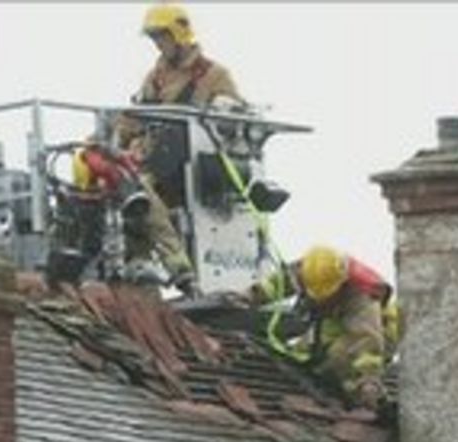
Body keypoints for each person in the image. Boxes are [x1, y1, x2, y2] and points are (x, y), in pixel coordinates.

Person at [114, 3, 245, 298]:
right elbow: (132, 117)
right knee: (119, 183)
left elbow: (236, 122)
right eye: (154, 38)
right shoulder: (155, 76)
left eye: (162, 36)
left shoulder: (213, 75)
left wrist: (224, 110)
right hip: (151, 160)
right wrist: (107, 141)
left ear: (179, 34)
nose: (158, 44)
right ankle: (137, 269)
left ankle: (177, 266)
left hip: (190, 166)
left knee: (139, 190)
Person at [247, 245, 403, 411]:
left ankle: (362, 401)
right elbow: (275, 285)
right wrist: (248, 296)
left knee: (338, 359)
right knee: (304, 355)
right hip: (336, 320)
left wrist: (368, 381)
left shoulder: (361, 296)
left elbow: (366, 342)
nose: (319, 301)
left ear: (341, 283)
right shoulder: (309, 270)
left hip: (380, 330)